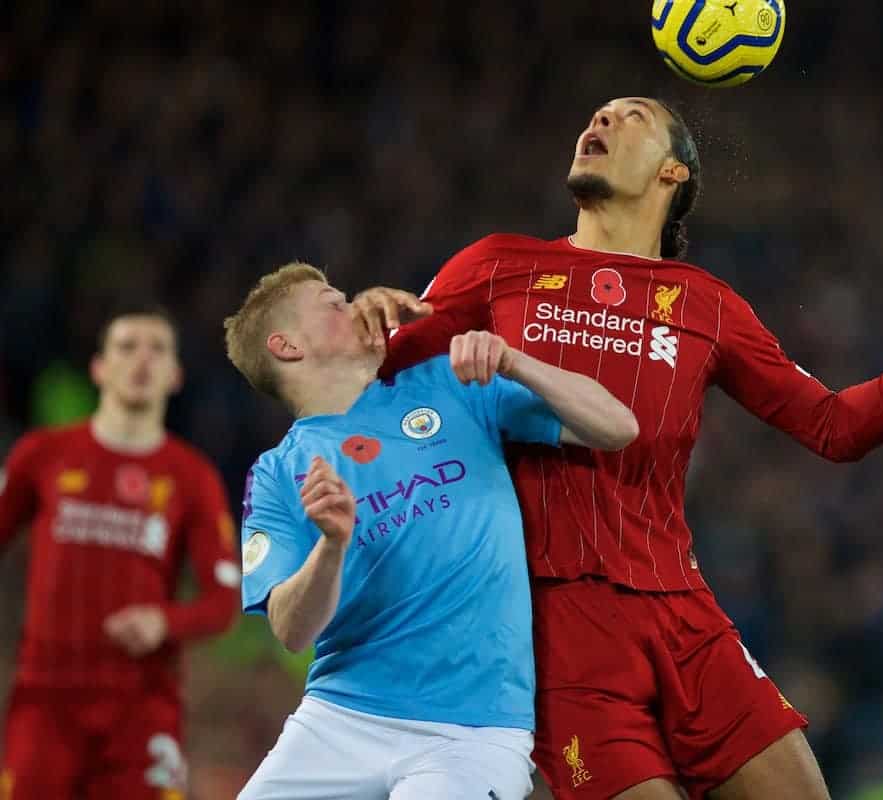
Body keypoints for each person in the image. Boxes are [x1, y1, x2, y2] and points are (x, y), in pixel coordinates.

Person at [352, 96, 883, 799]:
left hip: (684, 615)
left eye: (629, 115)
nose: (599, 121)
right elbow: (363, 392)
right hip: (557, 631)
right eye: (597, 114)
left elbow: (834, 428)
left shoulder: (707, 304)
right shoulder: (496, 265)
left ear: (673, 173)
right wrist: (358, 331)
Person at [222, 263, 637, 799]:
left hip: (471, 730)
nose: (357, 308)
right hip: (341, 719)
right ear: (287, 346)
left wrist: (515, 362)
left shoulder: (447, 384)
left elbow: (617, 426)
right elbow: (290, 629)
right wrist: (332, 545)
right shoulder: (278, 474)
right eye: (334, 302)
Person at [0, 307, 240, 800]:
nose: (142, 360)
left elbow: (222, 602)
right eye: (127, 347)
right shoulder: (42, 455)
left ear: (175, 376)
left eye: (157, 349)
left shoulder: (192, 477)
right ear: (99, 368)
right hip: (47, 700)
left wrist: (164, 622)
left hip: (141, 706)